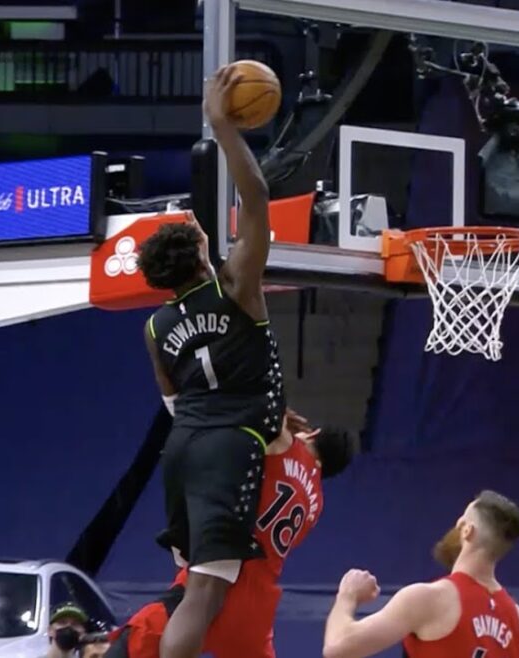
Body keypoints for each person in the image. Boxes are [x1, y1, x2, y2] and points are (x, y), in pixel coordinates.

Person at [137, 64, 283, 658]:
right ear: (201, 253)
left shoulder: (155, 326)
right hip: (227, 447)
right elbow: (258, 197)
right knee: (203, 593)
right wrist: (224, 127)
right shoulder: (236, 287)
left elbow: (175, 400)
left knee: (195, 587)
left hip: (183, 449)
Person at [106, 409, 360, 658]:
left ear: (312, 433)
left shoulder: (287, 445)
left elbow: (257, 401)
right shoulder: (316, 504)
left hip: (221, 576)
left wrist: (282, 414)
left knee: (133, 644)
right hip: (257, 606)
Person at [322, 491, 519, 658]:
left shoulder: (429, 599)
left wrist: (347, 596)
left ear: (467, 531)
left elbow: (337, 648)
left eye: (460, 522)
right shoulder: (516, 620)